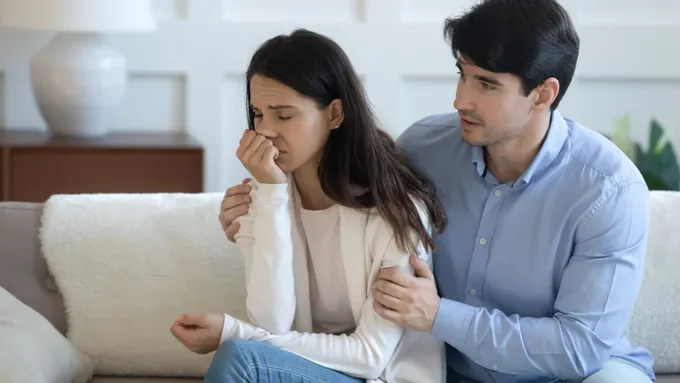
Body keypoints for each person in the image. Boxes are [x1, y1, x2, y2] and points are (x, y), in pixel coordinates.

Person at [219, 1, 656, 383]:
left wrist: (439, 315)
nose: (460, 99)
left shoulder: (608, 190)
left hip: (577, 374)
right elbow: (335, 189)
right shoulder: (424, 147)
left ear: (543, 94)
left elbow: (579, 348)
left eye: (485, 84)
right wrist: (258, 214)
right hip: (455, 372)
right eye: (462, 75)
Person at [170, 28, 449, 383]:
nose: (266, 130)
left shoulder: (394, 210)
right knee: (242, 356)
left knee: (242, 358)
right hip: (305, 371)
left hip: (382, 377)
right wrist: (272, 194)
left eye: (284, 116)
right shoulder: (262, 200)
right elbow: (271, 321)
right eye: (257, 114)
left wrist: (233, 332)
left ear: (334, 114)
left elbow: (370, 358)